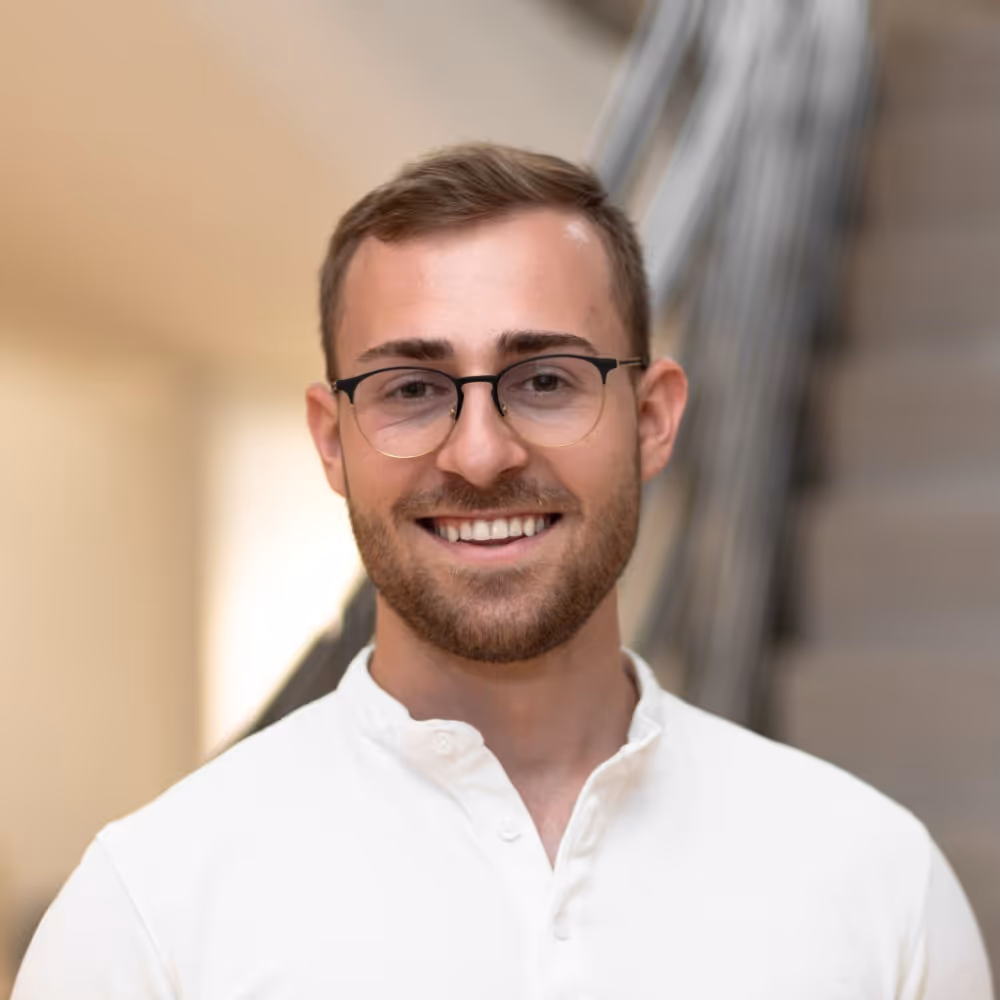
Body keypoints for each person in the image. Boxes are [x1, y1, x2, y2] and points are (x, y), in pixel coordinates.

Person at [13, 143, 993, 999]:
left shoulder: (876, 881)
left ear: (651, 418)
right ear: (332, 438)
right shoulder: (147, 910)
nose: (479, 455)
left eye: (545, 381)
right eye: (409, 388)